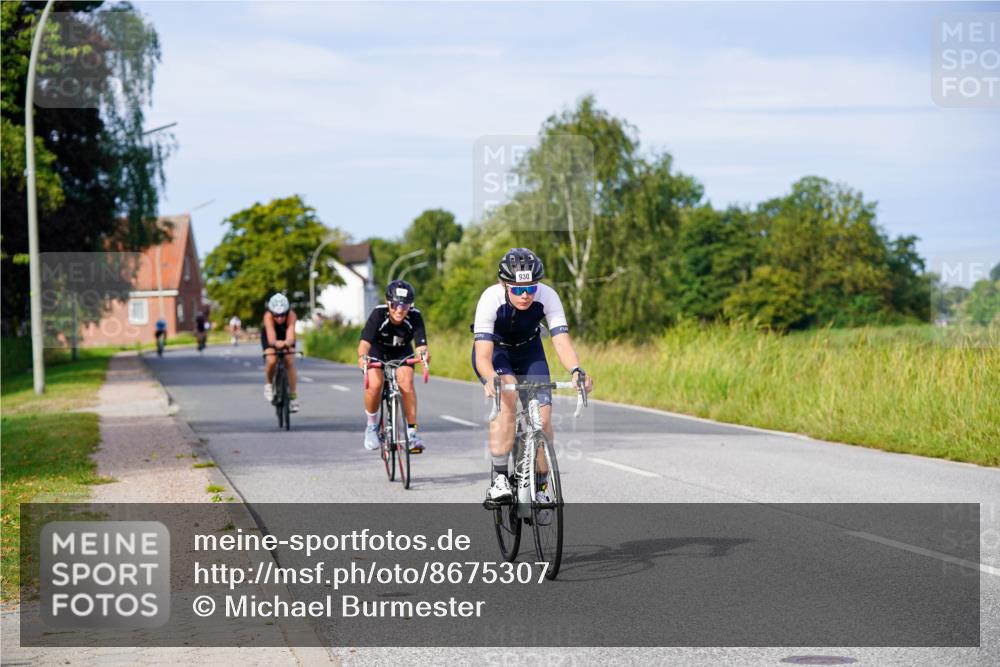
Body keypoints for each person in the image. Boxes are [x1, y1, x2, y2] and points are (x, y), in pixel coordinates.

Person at [472, 248, 593, 504]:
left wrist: (576, 370)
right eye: (517, 289)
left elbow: (561, 341)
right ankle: (500, 478)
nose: (525, 295)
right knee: (507, 398)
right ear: (503, 284)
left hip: (529, 351)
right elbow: (483, 356)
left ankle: (540, 485)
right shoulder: (490, 299)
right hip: (497, 352)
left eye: (531, 288)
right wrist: (491, 377)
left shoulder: (548, 296)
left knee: (543, 418)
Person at [357, 280, 430, 453]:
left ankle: (411, 433)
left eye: (405, 306)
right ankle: (372, 426)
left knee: (407, 384)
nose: (399, 310)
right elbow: (364, 343)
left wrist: (423, 355)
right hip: (377, 350)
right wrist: (363, 357)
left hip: (401, 351)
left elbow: (421, 345)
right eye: (395, 305)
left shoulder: (415, 316)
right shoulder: (378, 314)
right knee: (374, 384)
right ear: (387, 302)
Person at [262, 293, 299, 413]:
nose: (279, 318)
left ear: (287, 311)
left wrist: (288, 343)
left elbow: (290, 334)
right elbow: (271, 338)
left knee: (289, 360)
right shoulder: (267, 316)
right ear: (272, 313)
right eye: (276, 315)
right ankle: (268, 384)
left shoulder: (292, 315)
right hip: (271, 335)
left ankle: (293, 396)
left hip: (285, 335)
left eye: (282, 315)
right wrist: (275, 343)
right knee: (271, 359)